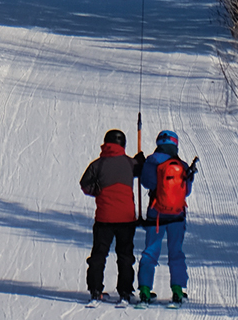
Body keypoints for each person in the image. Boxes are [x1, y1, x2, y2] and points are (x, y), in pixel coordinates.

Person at [79, 129, 143, 306]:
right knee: (125, 256)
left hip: (104, 218)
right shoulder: (130, 163)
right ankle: (124, 292)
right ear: (123, 144)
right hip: (126, 218)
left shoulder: (97, 165)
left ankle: (95, 290)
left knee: (99, 255)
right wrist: (141, 160)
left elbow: (84, 185)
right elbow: (142, 172)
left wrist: (97, 191)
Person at [138, 130, 194, 305]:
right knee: (176, 251)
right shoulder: (182, 164)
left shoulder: (152, 161)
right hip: (177, 214)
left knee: (151, 250)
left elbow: (146, 183)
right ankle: (177, 290)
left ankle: (145, 290)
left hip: (156, 214)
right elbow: (187, 191)